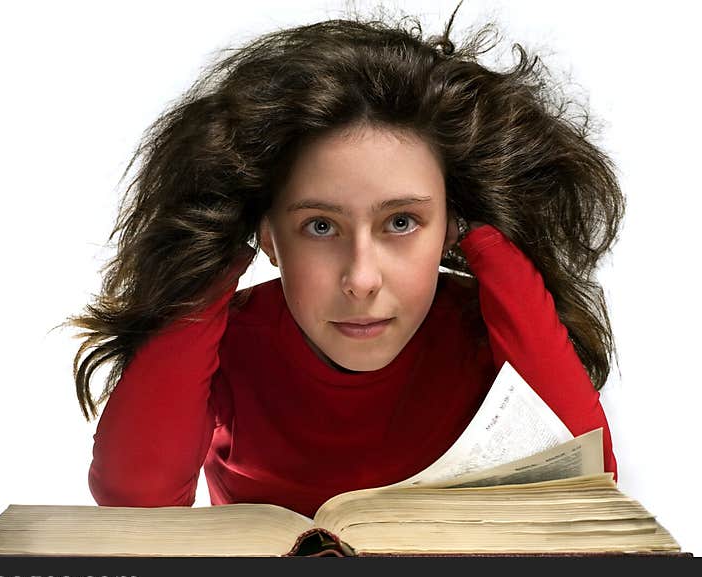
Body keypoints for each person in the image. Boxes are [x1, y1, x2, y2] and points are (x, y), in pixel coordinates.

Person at [64, 2, 623, 518]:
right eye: (320, 226)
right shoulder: (226, 340)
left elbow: (587, 487)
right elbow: (134, 502)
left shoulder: (485, 328)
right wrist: (210, 261)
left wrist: (493, 243)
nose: (361, 279)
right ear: (269, 236)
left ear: (452, 224)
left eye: (402, 222)